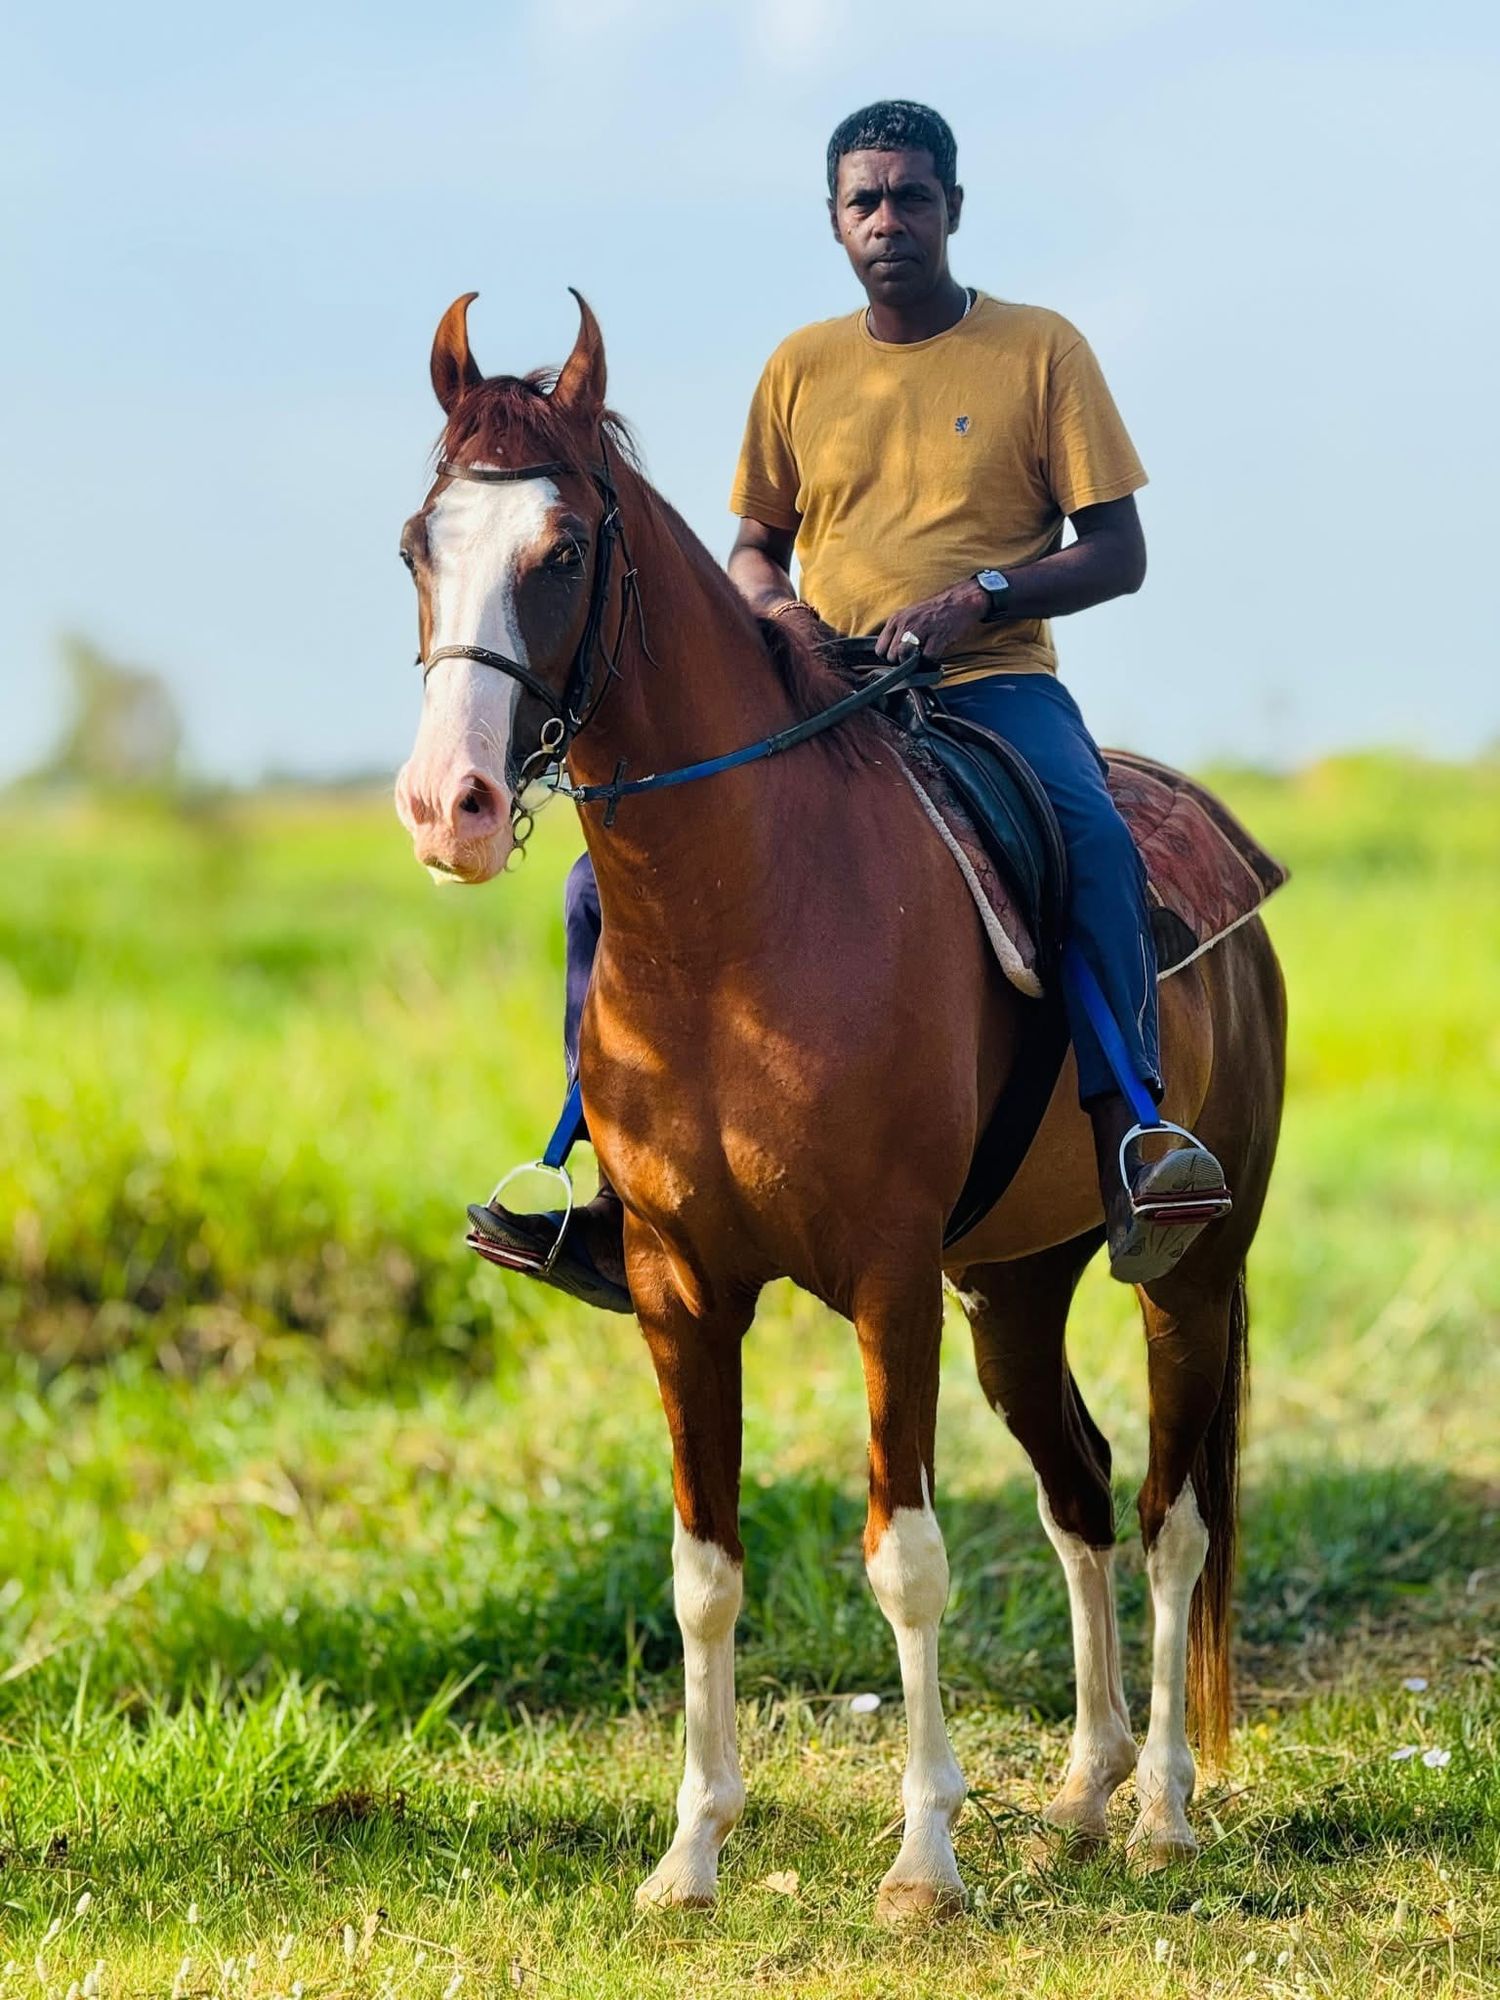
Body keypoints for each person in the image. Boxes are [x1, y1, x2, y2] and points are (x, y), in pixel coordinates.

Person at [469, 98, 1229, 1311]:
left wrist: (979, 595)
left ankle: (1133, 1139)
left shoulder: (1042, 349)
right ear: (834, 223)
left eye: (913, 197)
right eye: (865, 201)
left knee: (1089, 839)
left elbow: (1119, 552)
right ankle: (605, 1185)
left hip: (995, 685)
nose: (890, 220)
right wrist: (778, 615)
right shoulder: (799, 368)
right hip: (831, 697)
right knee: (588, 884)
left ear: (955, 211)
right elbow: (755, 547)